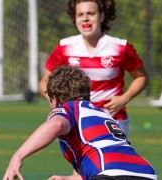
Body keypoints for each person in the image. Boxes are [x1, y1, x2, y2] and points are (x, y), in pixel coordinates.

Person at [3, 66, 157, 180]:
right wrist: (69, 178)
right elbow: (111, 157)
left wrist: (18, 156)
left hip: (110, 174)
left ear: (54, 98)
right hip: (145, 173)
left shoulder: (69, 108)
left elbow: (56, 125)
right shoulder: (102, 115)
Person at [39, 0, 149, 138]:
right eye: (80, 14)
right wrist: (55, 101)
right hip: (77, 119)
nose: (85, 18)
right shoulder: (65, 47)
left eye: (91, 13)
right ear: (75, 18)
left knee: (112, 159)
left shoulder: (120, 47)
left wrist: (124, 98)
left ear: (101, 16)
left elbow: (141, 77)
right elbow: (44, 82)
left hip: (112, 120)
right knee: (83, 160)